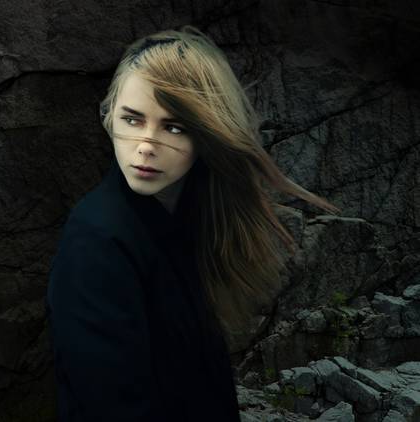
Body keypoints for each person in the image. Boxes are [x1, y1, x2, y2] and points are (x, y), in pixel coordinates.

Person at [45, 25, 341, 421]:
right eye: (132, 120)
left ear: (205, 135)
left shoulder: (186, 214)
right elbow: (113, 406)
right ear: (108, 114)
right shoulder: (97, 240)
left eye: (174, 127)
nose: (146, 145)